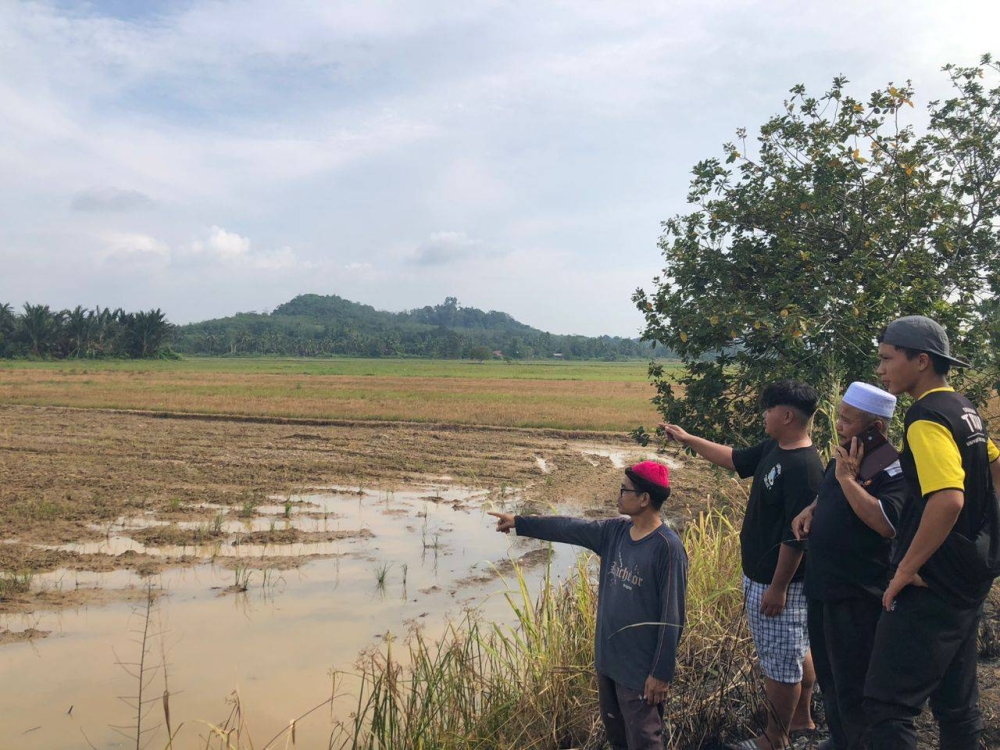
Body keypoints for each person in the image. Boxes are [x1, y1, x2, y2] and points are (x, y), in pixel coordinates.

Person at [862, 315, 1000, 749]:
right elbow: (995, 467)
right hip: (968, 578)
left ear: (921, 361)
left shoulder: (924, 417)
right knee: (957, 705)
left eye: (887, 359)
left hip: (932, 584)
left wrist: (906, 567)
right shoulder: (963, 407)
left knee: (887, 706)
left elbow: (948, 499)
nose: (881, 370)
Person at [662, 380, 823, 750]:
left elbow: (795, 537)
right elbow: (733, 458)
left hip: (780, 585)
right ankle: (802, 717)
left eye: (768, 410)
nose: (763, 415)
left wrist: (778, 587)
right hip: (764, 578)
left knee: (781, 664)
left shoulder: (804, 468)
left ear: (786, 415)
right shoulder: (775, 447)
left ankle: (775, 738)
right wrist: (688, 439)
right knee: (796, 649)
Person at [488, 461, 687, 750]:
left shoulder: (667, 548)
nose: (618, 495)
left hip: (640, 674)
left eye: (625, 490)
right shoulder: (615, 532)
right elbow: (570, 527)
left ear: (644, 499)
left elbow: (673, 616)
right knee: (617, 738)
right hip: (608, 662)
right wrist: (520, 522)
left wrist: (661, 674)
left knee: (644, 741)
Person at [791, 382, 906, 750]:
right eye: (839, 416)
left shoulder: (891, 467)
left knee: (854, 682)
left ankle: (859, 742)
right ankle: (841, 739)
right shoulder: (844, 456)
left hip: (857, 593)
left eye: (847, 419)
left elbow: (886, 522)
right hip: (823, 586)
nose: (838, 425)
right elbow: (829, 495)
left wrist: (846, 479)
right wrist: (812, 510)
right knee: (829, 677)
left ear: (878, 427)